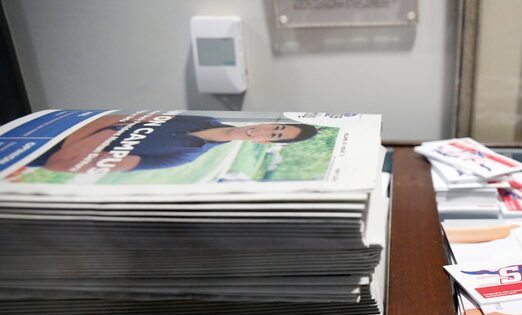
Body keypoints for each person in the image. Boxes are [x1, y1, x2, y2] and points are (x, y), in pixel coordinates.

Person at [29, 113, 319, 173]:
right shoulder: (201, 118)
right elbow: (110, 118)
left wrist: (109, 133)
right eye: (278, 126)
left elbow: (61, 163)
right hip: (46, 128)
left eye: (276, 136)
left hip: (30, 155)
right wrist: (102, 134)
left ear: (265, 143)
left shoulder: (182, 158)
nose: (269, 131)